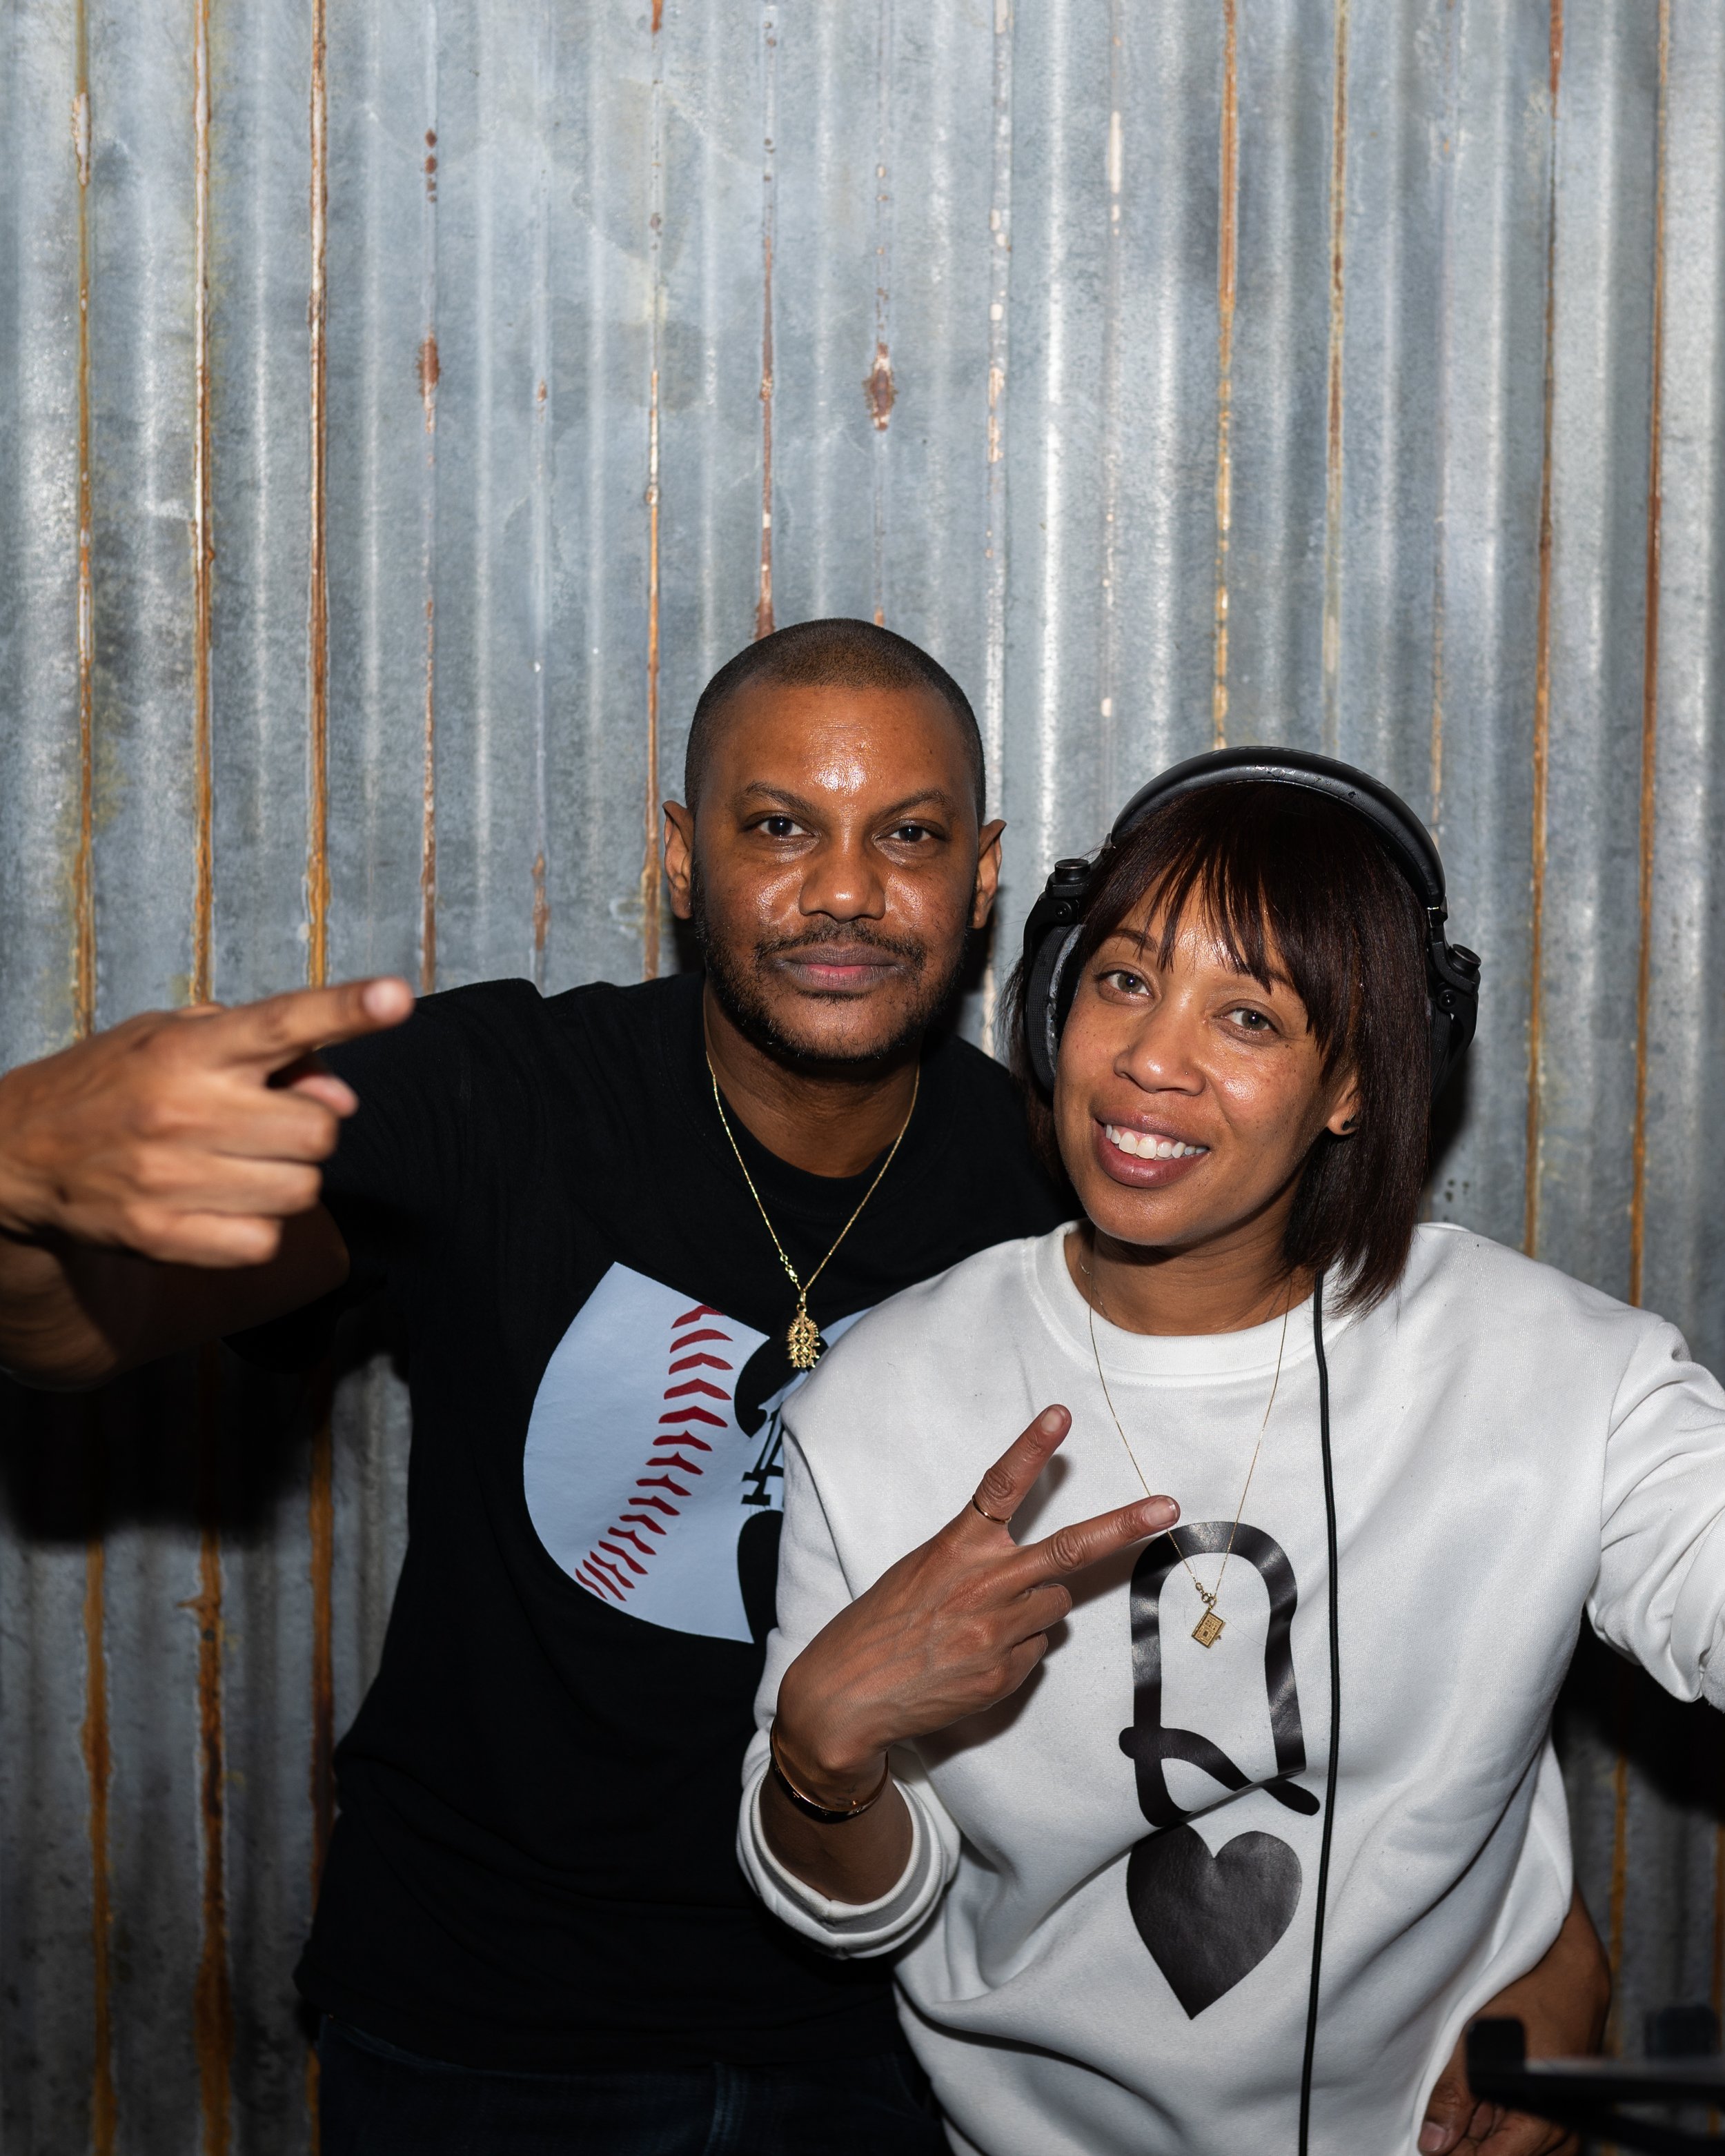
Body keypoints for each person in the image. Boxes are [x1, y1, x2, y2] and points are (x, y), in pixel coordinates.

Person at [0, 639, 1597, 2154]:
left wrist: (1542, 1936)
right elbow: (82, 1336)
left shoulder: (1087, 1188)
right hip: (490, 2025)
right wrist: (21, 1177)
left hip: (894, 2052)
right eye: (779, 827)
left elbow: (1362, 1558)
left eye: (904, 835)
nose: (844, 891)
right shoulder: (506, 1101)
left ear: (981, 878)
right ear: (681, 856)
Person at [735, 758, 1707, 2156]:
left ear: (1358, 1083)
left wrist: (1559, 1952)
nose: (1152, 1059)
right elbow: (866, 1908)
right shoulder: (879, 1402)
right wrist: (822, 1756)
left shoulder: (1560, 1374)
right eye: (1125, 982)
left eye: (1245, 1014)